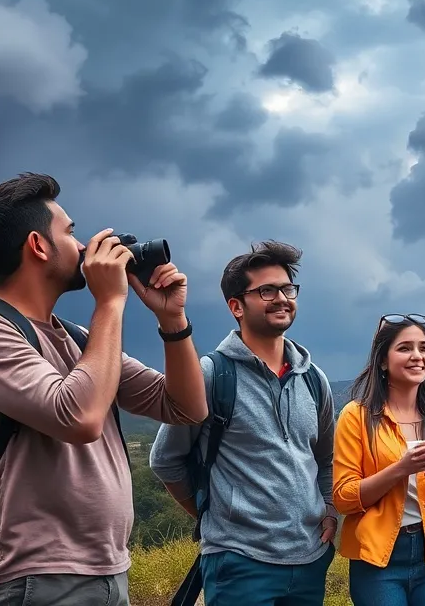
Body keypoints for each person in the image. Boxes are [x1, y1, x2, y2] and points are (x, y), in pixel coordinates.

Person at [0, 172, 209, 605]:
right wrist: (110, 301)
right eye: (70, 231)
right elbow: (78, 418)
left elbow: (186, 408)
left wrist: (172, 323)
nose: (83, 246)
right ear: (38, 245)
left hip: (107, 569)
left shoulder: (79, 338)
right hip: (31, 577)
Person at [148, 241, 338, 606]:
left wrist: (329, 508)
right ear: (236, 305)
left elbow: (325, 459)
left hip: (310, 558)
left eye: (287, 289)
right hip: (239, 562)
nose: (282, 298)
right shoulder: (211, 374)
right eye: (267, 290)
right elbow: (165, 459)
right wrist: (216, 516)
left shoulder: (314, 378)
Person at [333, 313, 425, 606]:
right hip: (377, 556)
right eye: (404, 348)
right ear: (383, 361)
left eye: (424, 348)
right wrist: (401, 468)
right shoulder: (356, 417)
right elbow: (344, 499)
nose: (417, 356)